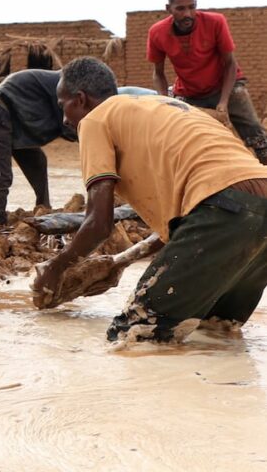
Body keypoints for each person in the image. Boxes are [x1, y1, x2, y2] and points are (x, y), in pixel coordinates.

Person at [32, 57, 267, 343]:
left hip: (224, 207)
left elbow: (99, 223)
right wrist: (122, 261)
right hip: (251, 210)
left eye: (62, 106)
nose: (66, 119)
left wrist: (56, 269)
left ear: (80, 100)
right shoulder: (165, 108)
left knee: (132, 338)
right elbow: (196, 222)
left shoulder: (96, 119)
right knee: (214, 333)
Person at [148, 0, 267, 164]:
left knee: (257, 136)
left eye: (191, 7)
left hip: (225, 85)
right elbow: (158, 73)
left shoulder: (215, 22)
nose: (187, 14)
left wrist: (224, 102)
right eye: (180, 8)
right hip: (189, 92)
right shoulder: (157, 33)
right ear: (168, 9)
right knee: (181, 139)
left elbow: (230, 64)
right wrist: (165, 101)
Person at [0, 69, 77, 225]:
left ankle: (43, 210)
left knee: (38, 161)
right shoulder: (64, 87)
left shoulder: (68, 86)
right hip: (1, 107)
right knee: (1, 170)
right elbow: (69, 127)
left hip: (20, 117)